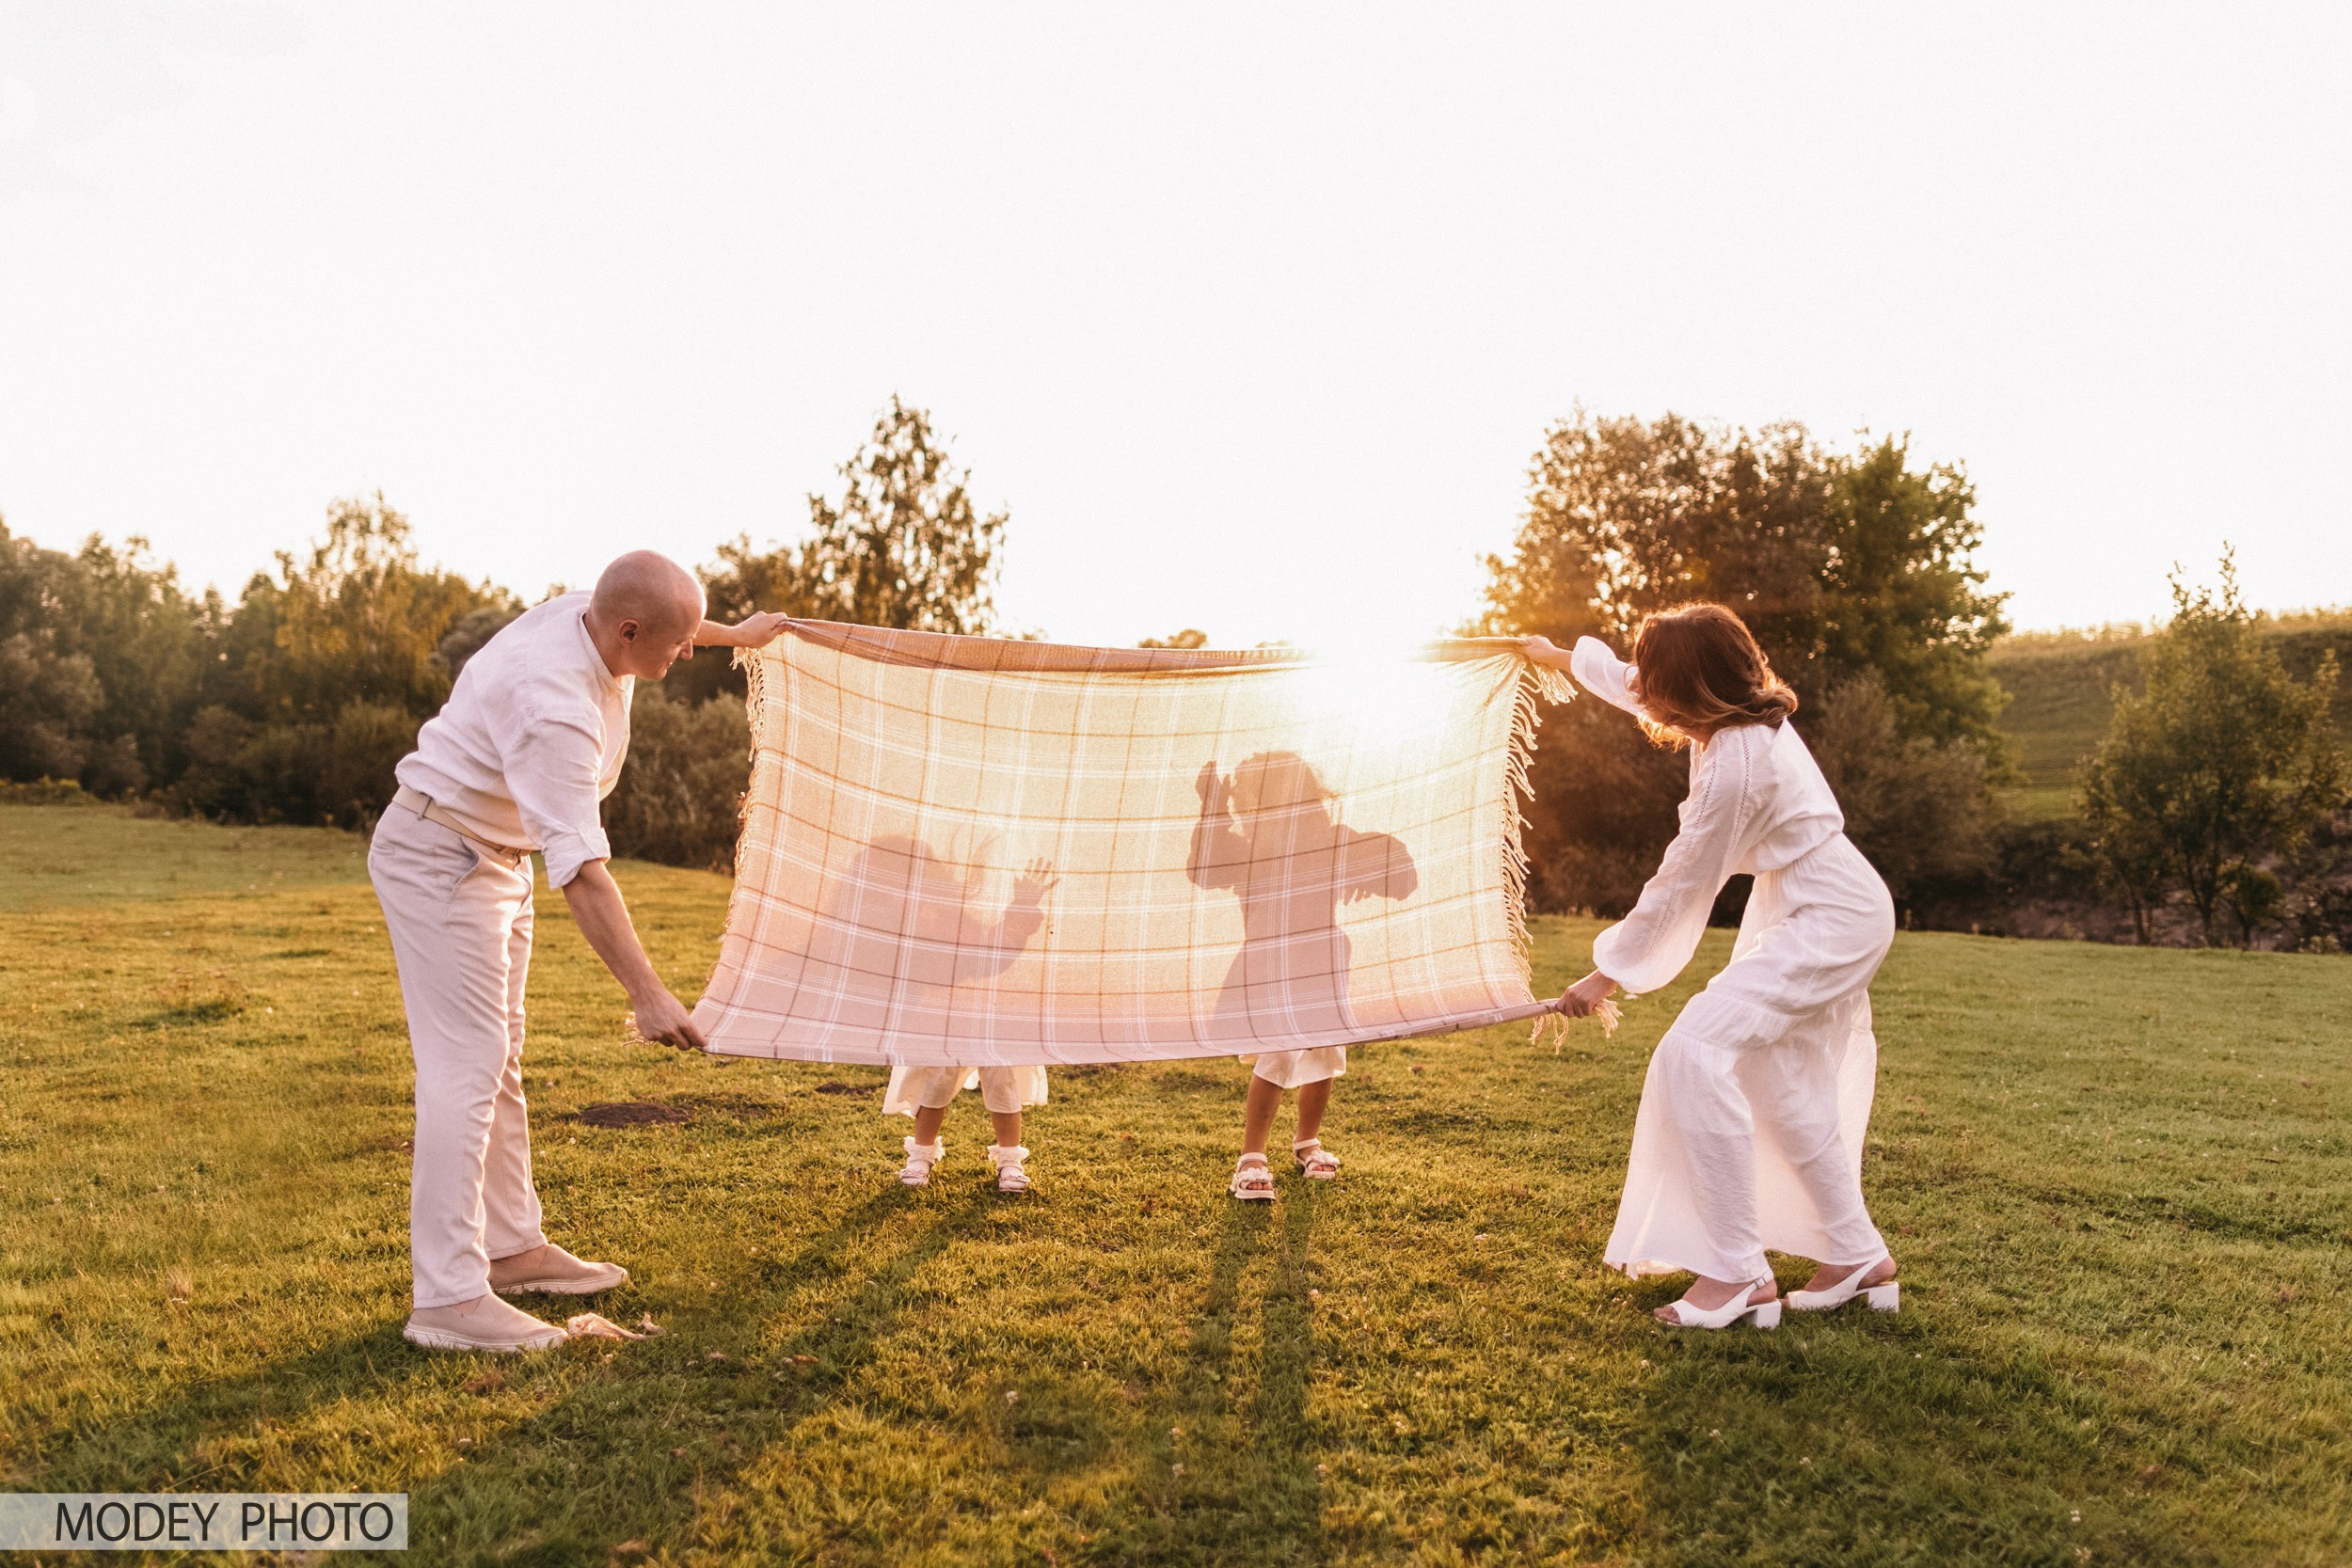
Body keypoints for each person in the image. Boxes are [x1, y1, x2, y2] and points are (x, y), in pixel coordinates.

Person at [371, 552, 787, 1353]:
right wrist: (648, 993)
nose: (682, 656)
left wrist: (739, 632)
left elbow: (669, 618)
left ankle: (512, 1245)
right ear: (629, 631)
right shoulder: (553, 706)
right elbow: (586, 876)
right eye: (674, 646)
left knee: (502, 1055)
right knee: (467, 1062)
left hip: (494, 851)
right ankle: (448, 1297)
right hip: (442, 855)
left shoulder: (593, 613)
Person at [1525, 607, 1899, 1330]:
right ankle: (1857, 1256)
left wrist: (1604, 974)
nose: (1648, 697)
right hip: (1814, 903)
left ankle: (1738, 1275)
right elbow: (1629, 678)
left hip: (1832, 917)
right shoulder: (1724, 717)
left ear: (1691, 688)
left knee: (1695, 1053)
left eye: (1661, 684)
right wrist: (1555, 655)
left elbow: (1682, 881)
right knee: (1770, 1073)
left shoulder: (1737, 766)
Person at [1187, 752, 1417, 1200]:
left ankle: (1306, 1142)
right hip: (1271, 963)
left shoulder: (1331, 841)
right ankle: (1251, 1158)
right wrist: (1211, 804)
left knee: (1323, 1053)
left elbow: (1404, 878)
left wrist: (1374, 864)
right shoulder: (1250, 846)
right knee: (1278, 1055)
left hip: (1323, 962)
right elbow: (1202, 870)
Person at [795, 833, 1057, 1193]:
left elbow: (996, 950)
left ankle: (1010, 1160)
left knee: (1002, 1080)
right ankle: (921, 1154)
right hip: (936, 1019)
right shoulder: (891, 923)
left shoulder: (955, 916)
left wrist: (1022, 905)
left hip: (984, 1014)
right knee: (935, 1084)